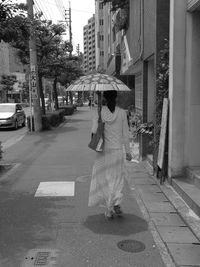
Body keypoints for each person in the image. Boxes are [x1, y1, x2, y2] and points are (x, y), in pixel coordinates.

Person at [88, 90, 132, 219]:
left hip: (104, 152)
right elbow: (125, 134)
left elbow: (94, 132)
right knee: (117, 179)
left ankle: (109, 208)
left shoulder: (100, 112)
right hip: (117, 151)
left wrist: (97, 119)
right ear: (116, 98)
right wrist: (128, 152)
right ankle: (116, 203)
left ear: (105, 99)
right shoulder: (122, 113)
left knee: (106, 179)